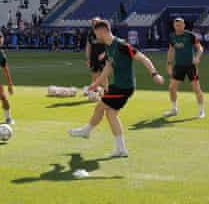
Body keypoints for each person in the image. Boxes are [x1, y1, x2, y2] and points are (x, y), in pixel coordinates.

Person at [68, 19, 164, 157]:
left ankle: (87, 131)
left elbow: (143, 58)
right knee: (109, 113)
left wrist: (154, 74)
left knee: (102, 108)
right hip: (118, 86)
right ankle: (120, 148)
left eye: (95, 32)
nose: (94, 36)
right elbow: (108, 67)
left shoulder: (121, 45)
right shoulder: (109, 46)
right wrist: (96, 84)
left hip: (124, 87)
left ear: (102, 31)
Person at [164, 17, 205, 118]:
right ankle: (174, 109)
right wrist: (169, 64)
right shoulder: (172, 36)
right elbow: (171, 50)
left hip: (191, 66)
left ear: (184, 25)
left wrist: (197, 57)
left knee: (196, 88)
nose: (178, 27)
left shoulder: (190, 35)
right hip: (178, 66)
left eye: (180, 25)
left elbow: (200, 48)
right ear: (174, 26)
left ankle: (201, 111)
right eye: (176, 25)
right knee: (172, 88)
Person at [85, 17, 107, 85]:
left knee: (103, 74)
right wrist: (88, 58)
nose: (94, 24)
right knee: (94, 73)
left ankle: (107, 90)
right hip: (93, 56)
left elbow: (110, 45)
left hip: (102, 56)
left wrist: (104, 53)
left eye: (96, 22)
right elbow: (88, 46)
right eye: (93, 23)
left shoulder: (104, 31)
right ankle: (94, 90)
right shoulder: (90, 33)